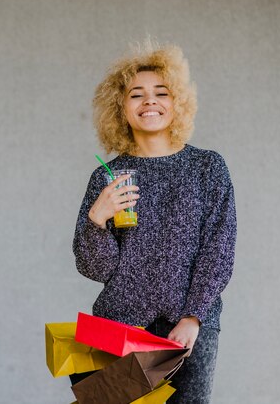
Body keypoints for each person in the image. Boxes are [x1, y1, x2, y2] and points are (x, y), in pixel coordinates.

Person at [72, 42, 237, 403]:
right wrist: (97, 219)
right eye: (136, 94)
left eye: (161, 92)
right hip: (120, 327)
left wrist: (193, 317)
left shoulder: (207, 168)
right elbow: (97, 269)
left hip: (189, 329)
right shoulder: (108, 177)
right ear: (121, 107)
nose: (149, 101)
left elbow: (218, 249)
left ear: (177, 102)